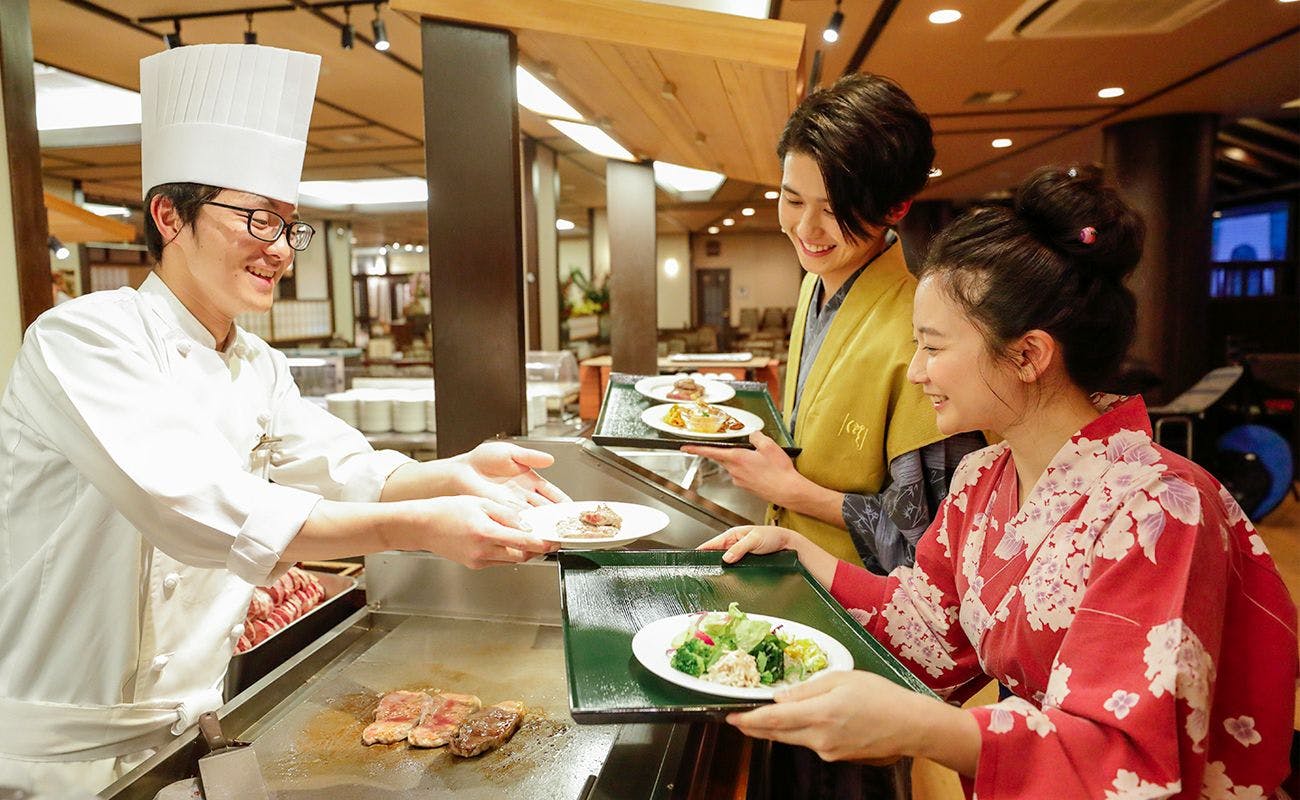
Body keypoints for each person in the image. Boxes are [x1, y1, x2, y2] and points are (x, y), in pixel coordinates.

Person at [0, 44, 565, 796]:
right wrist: (421, 526)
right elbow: (195, 508)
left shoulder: (255, 362)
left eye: (290, 226)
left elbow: (340, 465)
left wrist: (453, 472)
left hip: (194, 730)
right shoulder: (83, 338)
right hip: (59, 762)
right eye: (258, 220)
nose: (280, 251)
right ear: (169, 215)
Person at [700, 166, 1298, 798]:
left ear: (1028, 354)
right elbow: (929, 633)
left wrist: (929, 730)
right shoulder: (982, 476)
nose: (917, 373)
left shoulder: (1161, 509)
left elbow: (1127, 758)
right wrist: (805, 557)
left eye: (933, 347)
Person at [685, 73, 983, 576]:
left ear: (896, 207)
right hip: (795, 579)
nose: (806, 230)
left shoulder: (925, 334)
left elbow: (931, 541)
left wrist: (791, 490)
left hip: (864, 612)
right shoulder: (814, 286)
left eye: (834, 210)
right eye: (793, 200)